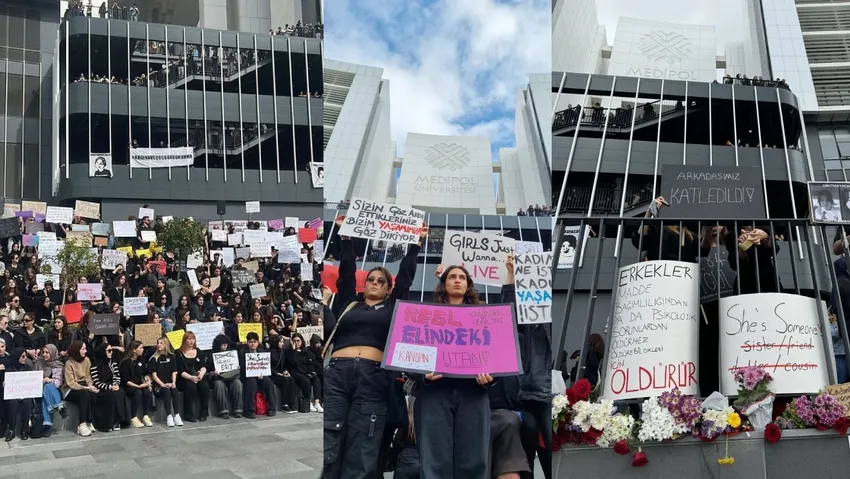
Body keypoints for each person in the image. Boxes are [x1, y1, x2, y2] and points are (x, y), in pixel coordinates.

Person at [322, 216, 425, 478]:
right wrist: (346, 239)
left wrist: (415, 246)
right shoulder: (349, 304)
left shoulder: (393, 308)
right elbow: (346, 276)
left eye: (381, 281)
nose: (375, 283)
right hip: (338, 374)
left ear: (389, 289)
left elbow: (405, 279)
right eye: (371, 279)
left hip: (373, 377)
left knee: (364, 443)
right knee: (330, 438)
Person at [414, 264, 494, 479]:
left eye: (462, 277)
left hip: (473, 391)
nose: (457, 280)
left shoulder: (485, 315)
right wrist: (423, 374)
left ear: (468, 285)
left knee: (473, 456)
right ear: (444, 283)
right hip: (435, 391)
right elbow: (411, 354)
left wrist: (491, 378)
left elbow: (498, 352)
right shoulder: (426, 315)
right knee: (434, 457)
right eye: (452, 277)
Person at [63, 341, 97, 436]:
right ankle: (82, 424)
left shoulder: (87, 360)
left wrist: (90, 386)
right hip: (70, 389)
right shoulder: (69, 363)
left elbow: (88, 377)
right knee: (84, 394)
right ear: (76, 350)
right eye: (83, 349)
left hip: (84, 386)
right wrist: (86, 388)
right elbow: (71, 383)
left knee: (92, 394)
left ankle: (89, 421)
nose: (85, 351)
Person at [90, 343, 127, 432]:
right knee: (110, 395)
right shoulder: (95, 365)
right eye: (109, 351)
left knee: (120, 392)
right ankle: (107, 423)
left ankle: (118, 420)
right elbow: (96, 382)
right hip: (102, 388)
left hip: (112, 385)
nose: (111, 352)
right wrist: (109, 387)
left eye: (112, 350)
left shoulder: (112, 362)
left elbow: (117, 375)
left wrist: (116, 384)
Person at [239, 331, 277, 419]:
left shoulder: (262, 352)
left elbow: (266, 366)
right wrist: (254, 374)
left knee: (268, 381)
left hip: (261, 375)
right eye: (250, 342)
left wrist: (262, 373)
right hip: (248, 376)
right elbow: (243, 368)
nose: (253, 344)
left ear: (258, 342)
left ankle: (272, 408)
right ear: (247, 342)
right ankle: (249, 410)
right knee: (251, 382)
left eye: (254, 342)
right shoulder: (242, 352)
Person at [175, 331, 210, 422]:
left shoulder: (199, 351)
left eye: (193, 339)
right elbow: (180, 371)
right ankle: (189, 415)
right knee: (190, 386)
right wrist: (191, 377)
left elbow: (203, 366)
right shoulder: (178, 353)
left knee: (204, 386)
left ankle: (204, 413)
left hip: (198, 376)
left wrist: (201, 374)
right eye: (189, 339)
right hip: (185, 378)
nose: (191, 341)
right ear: (184, 340)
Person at [148, 336, 182, 427]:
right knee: (166, 392)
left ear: (166, 344)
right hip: (159, 385)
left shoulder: (172, 357)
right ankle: (169, 416)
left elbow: (174, 371)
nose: (159, 345)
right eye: (158, 343)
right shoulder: (154, 358)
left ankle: (177, 415)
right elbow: (154, 376)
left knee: (174, 391)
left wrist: (173, 382)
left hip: (169, 383)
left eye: (161, 343)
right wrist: (162, 384)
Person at [208, 334, 243, 418]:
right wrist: (213, 373)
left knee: (237, 383)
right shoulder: (212, 354)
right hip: (218, 378)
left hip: (232, 377)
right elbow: (208, 370)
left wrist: (238, 367)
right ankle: (223, 410)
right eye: (222, 344)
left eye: (226, 344)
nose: (224, 346)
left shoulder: (232, 353)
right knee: (219, 385)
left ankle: (238, 409)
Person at [120, 340, 154, 428]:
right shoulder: (125, 363)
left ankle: (145, 415)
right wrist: (138, 386)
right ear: (134, 350)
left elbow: (145, 372)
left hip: (140, 384)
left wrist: (148, 380)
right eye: (141, 348)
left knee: (147, 391)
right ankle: (133, 417)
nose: (143, 349)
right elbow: (126, 380)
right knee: (137, 392)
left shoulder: (141, 360)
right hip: (129, 385)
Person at [36, 344, 67, 437]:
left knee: (48, 388)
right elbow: (33, 379)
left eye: (47, 352)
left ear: (52, 353)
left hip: (55, 390)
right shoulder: (38, 364)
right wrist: (42, 380)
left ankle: (47, 426)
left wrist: (50, 380)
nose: (44, 354)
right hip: (39, 389)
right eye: (43, 352)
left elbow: (58, 382)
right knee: (46, 388)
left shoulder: (58, 365)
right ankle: (59, 406)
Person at [285, 332, 321, 412]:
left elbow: (310, 362)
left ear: (301, 341)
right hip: (295, 372)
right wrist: (293, 350)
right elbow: (292, 362)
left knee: (316, 379)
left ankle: (317, 402)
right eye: (294, 341)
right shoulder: (289, 352)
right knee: (306, 381)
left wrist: (311, 372)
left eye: (298, 341)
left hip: (305, 371)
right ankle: (308, 402)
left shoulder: (305, 351)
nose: (296, 343)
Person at [3, 348, 34, 441]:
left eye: (26, 356)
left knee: (28, 402)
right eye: (23, 356)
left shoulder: (27, 367)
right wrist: (6, 384)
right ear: (17, 357)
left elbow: (31, 382)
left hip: (25, 394)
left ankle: (24, 430)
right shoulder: (9, 369)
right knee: (13, 403)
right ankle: (11, 430)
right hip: (13, 395)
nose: (25, 358)